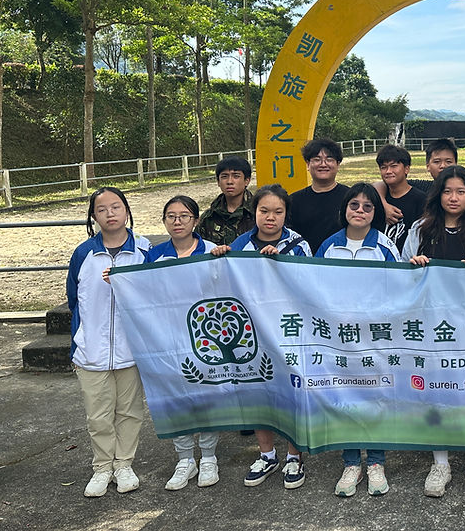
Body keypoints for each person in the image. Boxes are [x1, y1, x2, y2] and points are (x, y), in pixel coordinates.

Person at [401, 165, 465, 499]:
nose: (453, 197)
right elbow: (401, 278)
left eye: (460, 191)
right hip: (432, 327)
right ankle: (440, 461)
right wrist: (414, 269)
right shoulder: (419, 230)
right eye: (447, 191)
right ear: (437, 195)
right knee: (436, 393)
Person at [211, 184, 312, 489]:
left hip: (291, 331)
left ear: (286, 215)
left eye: (277, 212)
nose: (270, 217)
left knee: (293, 393)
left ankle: (295, 456)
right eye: (264, 211)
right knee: (258, 393)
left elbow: (312, 286)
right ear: (253, 212)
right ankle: (267, 454)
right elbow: (223, 288)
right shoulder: (240, 244)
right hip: (250, 335)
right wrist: (218, 258)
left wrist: (279, 263)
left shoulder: (298, 245)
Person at [315, 184, 400, 497]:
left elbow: (399, 286)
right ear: (344, 210)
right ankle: (351, 462)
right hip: (340, 337)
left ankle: (376, 462)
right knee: (346, 398)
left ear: (375, 212)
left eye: (367, 207)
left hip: (376, 337)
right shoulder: (328, 246)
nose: (360, 211)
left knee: (376, 399)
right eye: (354, 205)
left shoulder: (385, 246)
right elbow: (315, 287)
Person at [67, 186, 150, 497]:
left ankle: (124, 464)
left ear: (127, 210)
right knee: (98, 414)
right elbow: (74, 299)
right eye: (102, 209)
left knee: (129, 411)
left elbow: (155, 293)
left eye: (116, 207)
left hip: (132, 349)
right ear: (93, 216)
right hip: (92, 350)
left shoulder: (144, 250)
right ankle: (102, 467)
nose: (110, 213)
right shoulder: (82, 254)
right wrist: (80, 339)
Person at [147, 196, 220, 491]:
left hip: (206, 336)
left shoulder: (211, 252)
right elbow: (143, 292)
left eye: (184, 216)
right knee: (175, 396)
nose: (177, 222)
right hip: (167, 336)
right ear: (164, 221)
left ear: (196, 220)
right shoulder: (154, 255)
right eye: (171, 216)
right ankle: (185, 458)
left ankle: (210, 457)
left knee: (207, 397)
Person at [287, 139, 350, 254]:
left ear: (338, 164)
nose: (323, 164)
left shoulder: (351, 198)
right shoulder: (294, 200)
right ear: (308, 164)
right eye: (317, 159)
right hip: (304, 263)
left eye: (329, 159)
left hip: (341, 263)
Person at [378, 138, 457, 226]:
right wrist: (383, 205)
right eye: (437, 161)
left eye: (448, 161)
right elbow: (381, 184)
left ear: (456, 164)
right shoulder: (424, 187)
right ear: (428, 166)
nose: (443, 166)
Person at [374, 144, 427, 251]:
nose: (388, 171)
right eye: (384, 167)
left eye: (394, 166)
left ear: (406, 169)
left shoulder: (420, 199)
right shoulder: (376, 198)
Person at [197, 156, 254, 246]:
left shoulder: (259, 213)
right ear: (218, 182)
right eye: (224, 176)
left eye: (236, 176)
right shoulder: (208, 218)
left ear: (247, 181)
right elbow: (198, 248)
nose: (229, 181)